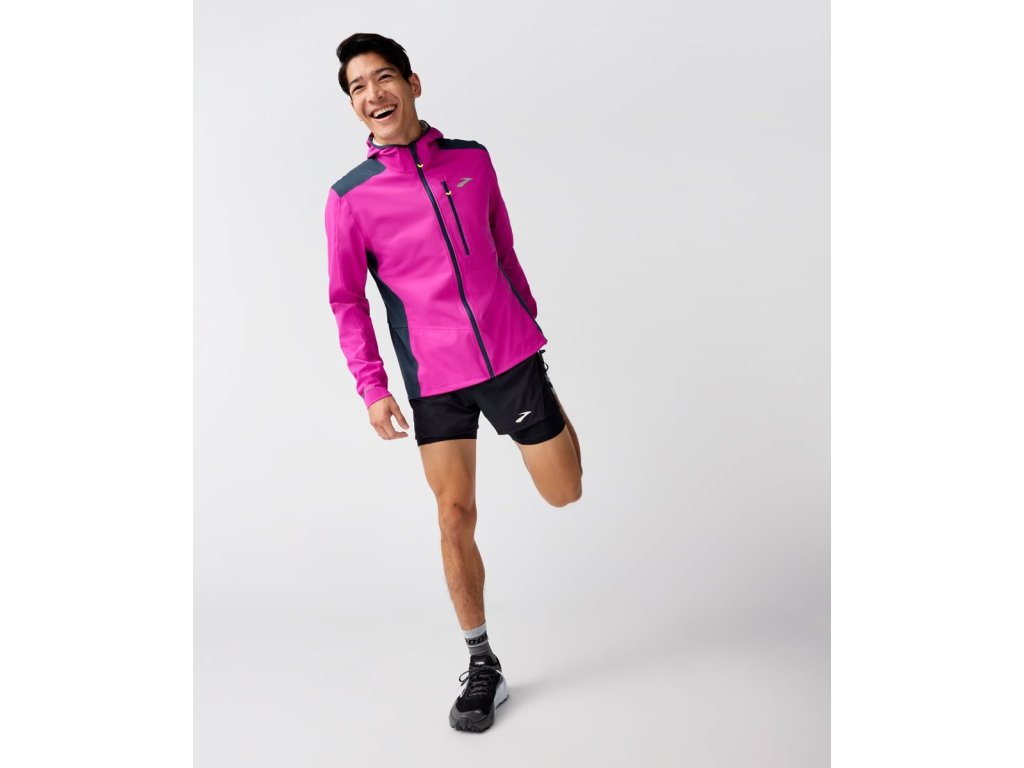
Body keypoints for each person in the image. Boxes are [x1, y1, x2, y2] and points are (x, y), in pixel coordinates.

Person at [325, 32, 583, 732]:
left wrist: (526, 323)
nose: (373, 94)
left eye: (383, 78)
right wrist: (372, 386)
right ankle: (481, 662)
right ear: (353, 106)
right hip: (434, 377)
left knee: (564, 492)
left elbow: (503, 245)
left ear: (412, 83)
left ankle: (545, 396)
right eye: (357, 88)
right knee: (453, 515)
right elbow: (347, 300)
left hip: (510, 357)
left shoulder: (472, 160)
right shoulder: (350, 198)